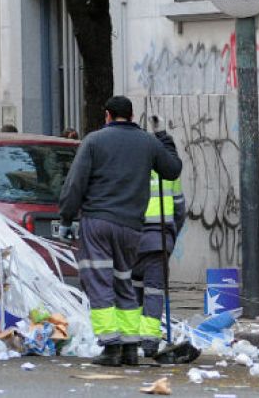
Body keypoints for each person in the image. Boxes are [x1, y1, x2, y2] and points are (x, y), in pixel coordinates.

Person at [59, 96, 181, 367]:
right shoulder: (148, 142)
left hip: (98, 222)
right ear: (132, 115)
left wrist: (67, 217)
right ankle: (129, 346)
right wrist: (163, 136)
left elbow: (76, 182)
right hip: (131, 227)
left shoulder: (94, 141)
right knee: (123, 281)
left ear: (107, 115)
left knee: (99, 281)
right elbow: (172, 170)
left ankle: (111, 346)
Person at [134, 117, 187, 358]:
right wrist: (171, 238)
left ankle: (131, 338)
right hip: (159, 240)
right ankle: (150, 342)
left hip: (133, 238)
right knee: (154, 291)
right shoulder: (170, 174)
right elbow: (179, 210)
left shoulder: (134, 167)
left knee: (132, 289)